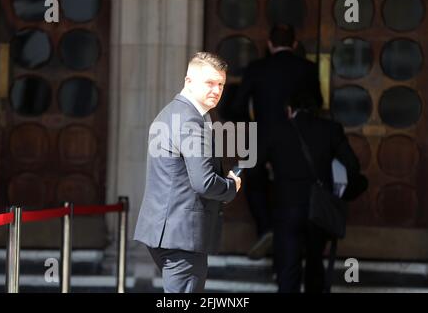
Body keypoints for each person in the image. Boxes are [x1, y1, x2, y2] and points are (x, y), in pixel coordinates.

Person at [133, 52, 242, 293]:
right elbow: (203, 182)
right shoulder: (191, 121)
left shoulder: (172, 112)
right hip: (182, 234)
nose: (216, 90)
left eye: (221, 84)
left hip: (168, 230)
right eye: (209, 83)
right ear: (188, 81)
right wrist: (231, 186)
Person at [232, 24, 323, 259]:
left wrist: (253, 128)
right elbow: (317, 105)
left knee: (251, 180)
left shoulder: (256, 68)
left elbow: (238, 107)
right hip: (297, 139)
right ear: (294, 45)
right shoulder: (308, 69)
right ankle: (295, 246)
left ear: (270, 44)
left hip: (261, 139)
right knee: (293, 189)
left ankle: (266, 229)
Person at [266, 91, 367, 293]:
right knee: (315, 264)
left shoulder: (275, 130)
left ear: (289, 110)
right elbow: (353, 166)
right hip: (319, 209)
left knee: (288, 268)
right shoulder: (331, 129)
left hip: (287, 208)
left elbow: (255, 169)